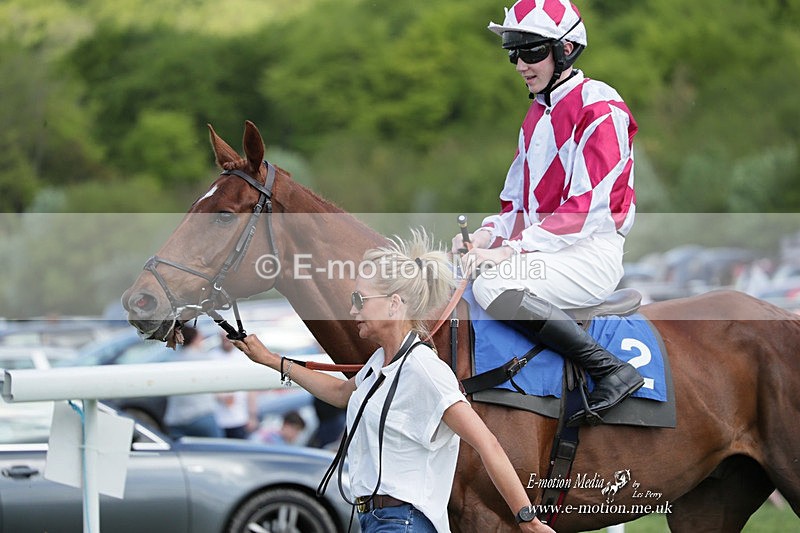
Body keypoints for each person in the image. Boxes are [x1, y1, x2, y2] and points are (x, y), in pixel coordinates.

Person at [233, 230, 553, 533]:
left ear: (394, 303)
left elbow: (487, 443)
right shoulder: (379, 362)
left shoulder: (426, 370)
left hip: (403, 522)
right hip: (377, 519)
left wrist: (527, 519)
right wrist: (273, 360)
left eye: (360, 299)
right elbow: (342, 393)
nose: (351, 309)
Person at [452, 0, 644, 425]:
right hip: (548, 251)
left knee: (492, 285)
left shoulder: (601, 107)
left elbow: (584, 210)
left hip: (589, 254)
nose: (520, 64)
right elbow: (519, 209)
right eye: (513, 53)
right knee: (456, 281)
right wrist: (485, 236)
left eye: (532, 51)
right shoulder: (536, 115)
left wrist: (508, 252)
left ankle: (610, 369)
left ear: (567, 50)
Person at [164, 326, 224, 438]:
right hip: (201, 415)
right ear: (195, 339)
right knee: (218, 451)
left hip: (175, 419)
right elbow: (214, 385)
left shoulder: (173, 360)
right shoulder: (204, 360)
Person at [211, 332, 260, 439]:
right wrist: (221, 397)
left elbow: (251, 389)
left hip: (240, 417)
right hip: (219, 418)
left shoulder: (242, 357)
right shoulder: (212, 357)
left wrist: (252, 416)